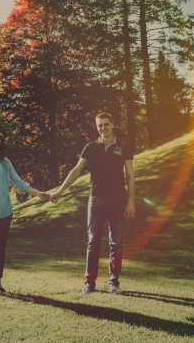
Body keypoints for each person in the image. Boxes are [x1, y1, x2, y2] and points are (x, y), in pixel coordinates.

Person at [49, 112, 136, 294]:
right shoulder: (91, 147)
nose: (103, 128)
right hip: (95, 199)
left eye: (106, 124)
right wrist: (60, 191)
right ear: (97, 127)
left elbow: (130, 176)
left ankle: (114, 283)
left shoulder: (124, 147)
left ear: (112, 124)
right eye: (99, 125)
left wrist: (131, 202)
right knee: (93, 241)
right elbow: (76, 170)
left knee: (116, 242)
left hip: (118, 200)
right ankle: (89, 283)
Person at [0, 131, 49, 295]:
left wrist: (38, 193)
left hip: (3, 211)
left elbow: (19, 182)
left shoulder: (5, 163)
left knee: (0, 247)